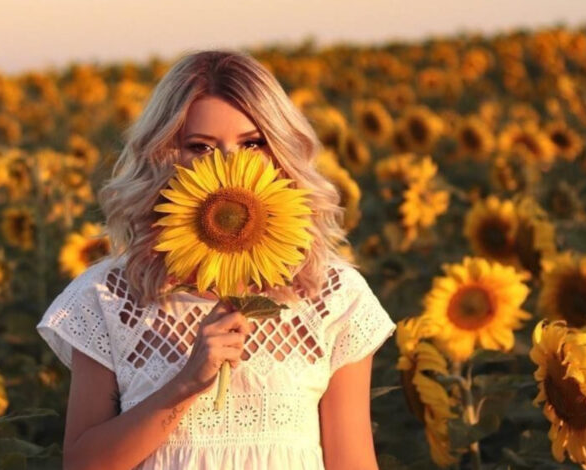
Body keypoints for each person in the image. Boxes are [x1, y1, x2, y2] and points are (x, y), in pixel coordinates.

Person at [36, 49, 397, 470]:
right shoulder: (110, 296)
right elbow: (82, 465)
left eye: (252, 143)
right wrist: (187, 383)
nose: (230, 166)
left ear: (280, 151)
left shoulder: (330, 294)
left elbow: (352, 463)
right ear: (165, 156)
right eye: (201, 148)